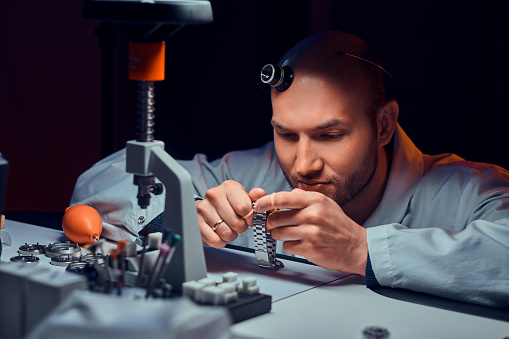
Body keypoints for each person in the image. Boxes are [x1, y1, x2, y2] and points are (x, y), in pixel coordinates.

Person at [71, 30, 509, 308]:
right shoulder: (251, 170)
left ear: (383, 125)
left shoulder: (468, 191)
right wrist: (184, 214)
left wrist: (363, 249)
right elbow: (101, 182)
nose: (302, 164)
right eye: (286, 134)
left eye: (330, 135)